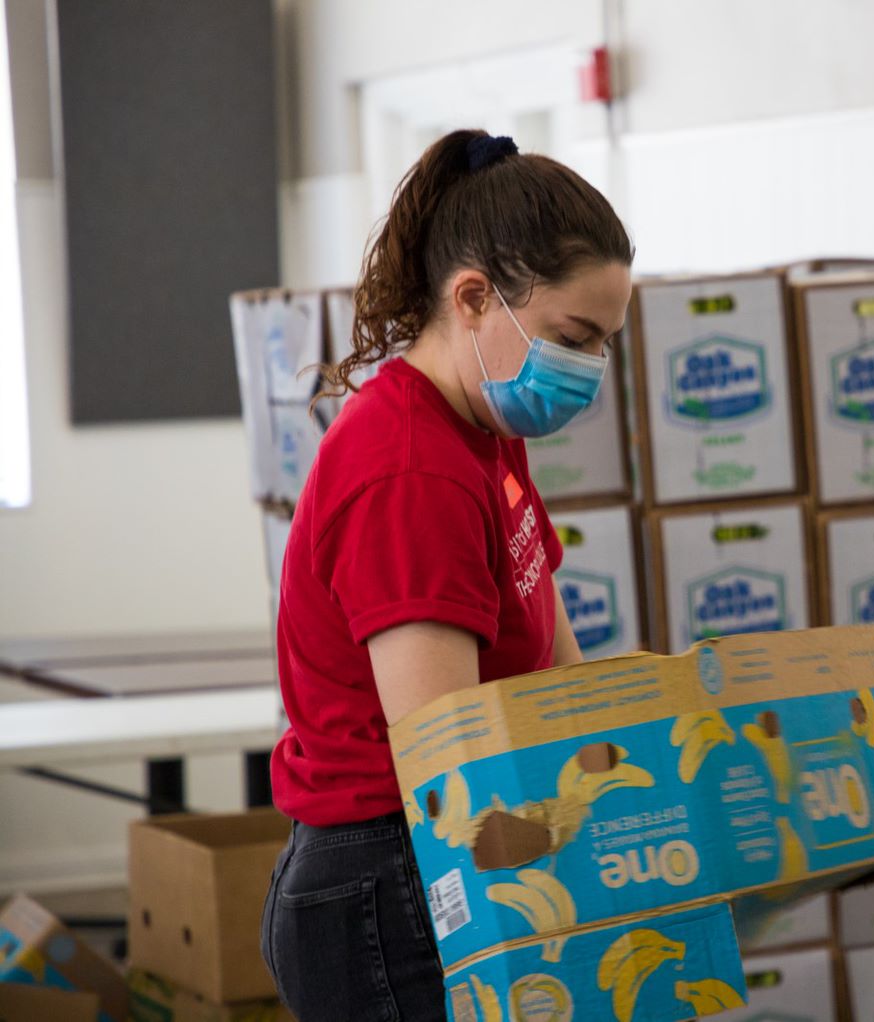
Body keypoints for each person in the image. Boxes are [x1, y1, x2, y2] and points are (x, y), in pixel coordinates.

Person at [259, 129, 634, 1020]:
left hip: (440, 850)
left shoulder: (485, 435)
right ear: (474, 298)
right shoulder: (411, 469)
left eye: (605, 345)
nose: (589, 370)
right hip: (395, 875)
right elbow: (446, 747)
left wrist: (642, 758)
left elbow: (552, 657)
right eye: (573, 337)